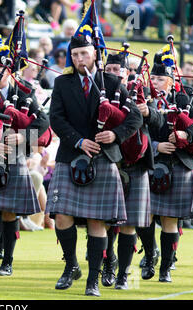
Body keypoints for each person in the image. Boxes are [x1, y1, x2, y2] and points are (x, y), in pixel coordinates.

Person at [46, 33, 142, 296]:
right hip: (70, 155)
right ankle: (71, 266)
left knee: (96, 221)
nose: (79, 59)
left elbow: (134, 118)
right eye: (75, 54)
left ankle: (93, 280)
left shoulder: (111, 82)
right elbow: (56, 118)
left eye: (84, 54)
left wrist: (115, 135)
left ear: (95, 55)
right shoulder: (62, 83)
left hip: (103, 157)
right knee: (61, 216)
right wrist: (78, 142)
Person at [0, 53, 49, 276]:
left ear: (8, 71)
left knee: (9, 212)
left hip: (14, 155)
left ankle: (7, 261)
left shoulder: (24, 91)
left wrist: (24, 137)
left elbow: (43, 121)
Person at [102, 50, 164, 289]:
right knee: (106, 220)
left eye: (116, 70)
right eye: (108, 70)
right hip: (109, 160)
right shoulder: (100, 93)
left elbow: (157, 122)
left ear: (127, 72)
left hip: (136, 162)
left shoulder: (142, 91)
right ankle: (108, 266)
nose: (112, 74)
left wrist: (149, 112)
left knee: (128, 223)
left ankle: (123, 275)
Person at [146, 52, 193, 282]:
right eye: (153, 78)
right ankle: (150, 255)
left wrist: (184, 134)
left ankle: (166, 269)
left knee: (170, 219)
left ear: (171, 81)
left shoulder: (184, 99)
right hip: (151, 162)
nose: (155, 82)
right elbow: (135, 131)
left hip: (178, 163)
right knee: (144, 217)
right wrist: (155, 146)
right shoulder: (144, 99)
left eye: (160, 79)